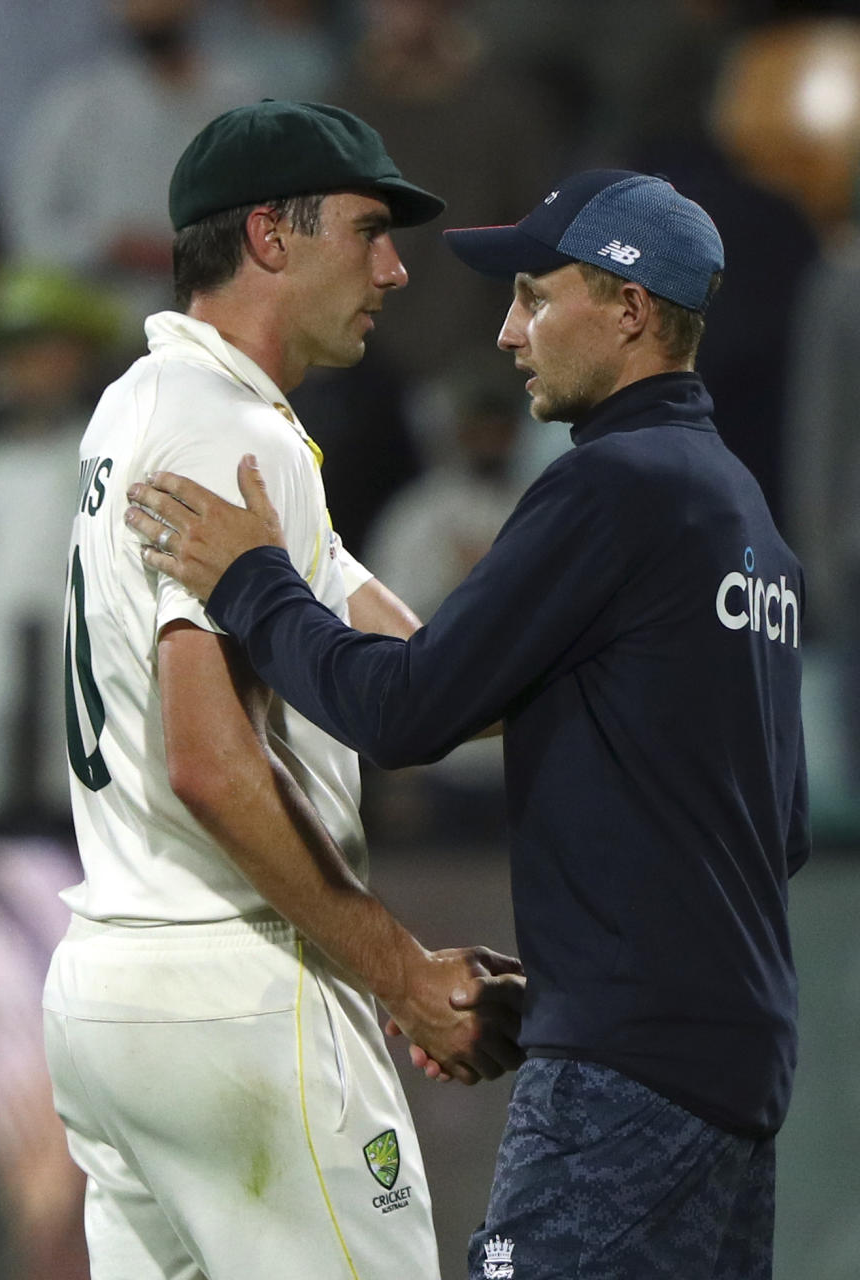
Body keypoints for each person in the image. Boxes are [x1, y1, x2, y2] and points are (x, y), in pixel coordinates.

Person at [126, 169, 811, 1279]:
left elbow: (401, 710)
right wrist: (579, 985)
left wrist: (253, 579)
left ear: (629, 310)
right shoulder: (744, 523)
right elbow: (764, 832)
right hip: (738, 1068)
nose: (506, 333)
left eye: (536, 298)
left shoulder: (614, 488)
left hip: (629, 1075)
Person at [50, 98, 525, 1280]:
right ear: (269, 233)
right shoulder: (224, 433)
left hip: (111, 986)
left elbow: (422, 673)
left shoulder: (145, 405)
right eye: (368, 230)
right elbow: (210, 761)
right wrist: (403, 973)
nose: (396, 267)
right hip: (234, 984)